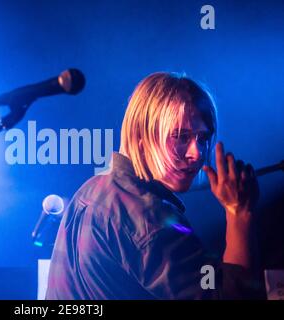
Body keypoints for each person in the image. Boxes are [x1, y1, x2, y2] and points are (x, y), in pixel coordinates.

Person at [45, 72, 263, 299]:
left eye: (203, 138)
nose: (197, 153)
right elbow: (227, 296)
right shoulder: (148, 216)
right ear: (141, 135)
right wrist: (239, 212)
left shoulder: (93, 188)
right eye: (180, 136)